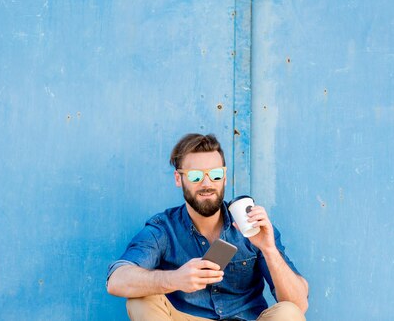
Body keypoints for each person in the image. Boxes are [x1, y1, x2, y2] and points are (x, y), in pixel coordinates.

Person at [106, 133, 308, 321]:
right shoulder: (163, 229)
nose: (207, 183)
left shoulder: (252, 224)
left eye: (216, 175)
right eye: (195, 176)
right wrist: (176, 279)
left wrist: (269, 250)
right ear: (179, 178)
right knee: (140, 300)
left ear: (225, 177)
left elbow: (299, 304)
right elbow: (116, 280)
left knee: (288, 312)